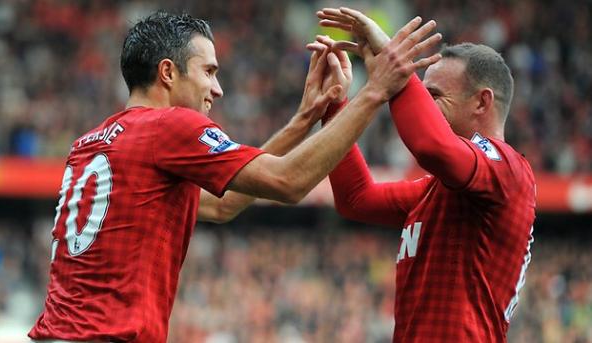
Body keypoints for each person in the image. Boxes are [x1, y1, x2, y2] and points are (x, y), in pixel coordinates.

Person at [29, 10, 442, 342]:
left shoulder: (91, 142)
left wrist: (304, 120)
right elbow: (288, 182)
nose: (218, 88)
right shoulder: (169, 126)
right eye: (208, 72)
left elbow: (221, 206)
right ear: (168, 73)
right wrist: (374, 92)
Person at [315, 7, 536, 343]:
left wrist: (397, 74)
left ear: (481, 103)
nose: (425, 104)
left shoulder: (509, 169)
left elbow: (432, 146)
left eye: (435, 95)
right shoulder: (439, 190)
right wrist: (334, 105)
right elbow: (355, 199)